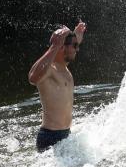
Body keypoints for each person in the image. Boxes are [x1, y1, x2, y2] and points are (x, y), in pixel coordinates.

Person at [28, 20, 87, 152]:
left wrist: (76, 35)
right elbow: (32, 78)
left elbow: (69, 47)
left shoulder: (63, 68)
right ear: (61, 47)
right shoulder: (49, 70)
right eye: (75, 45)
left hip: (66, 134)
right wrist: (54, 46)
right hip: (50, 137)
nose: (78, 49)